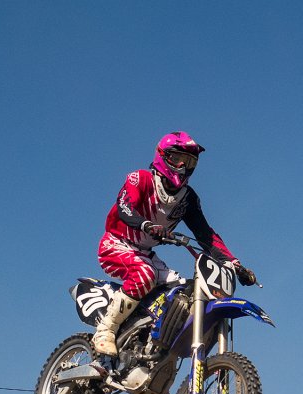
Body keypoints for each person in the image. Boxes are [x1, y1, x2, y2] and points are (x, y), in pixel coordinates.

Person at [92, 131, 257, 356]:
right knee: (145, 276)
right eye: (177, 158)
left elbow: (205, 234)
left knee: (181, 291)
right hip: (116, 244)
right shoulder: (140, 179)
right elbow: (125, 207)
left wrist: (235, 265)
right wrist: (147, 225)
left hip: (145, 253)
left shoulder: (187, 198)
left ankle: (148, 340)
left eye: (189, 162)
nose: (182, 166)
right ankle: (105, 330)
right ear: (162, 156)